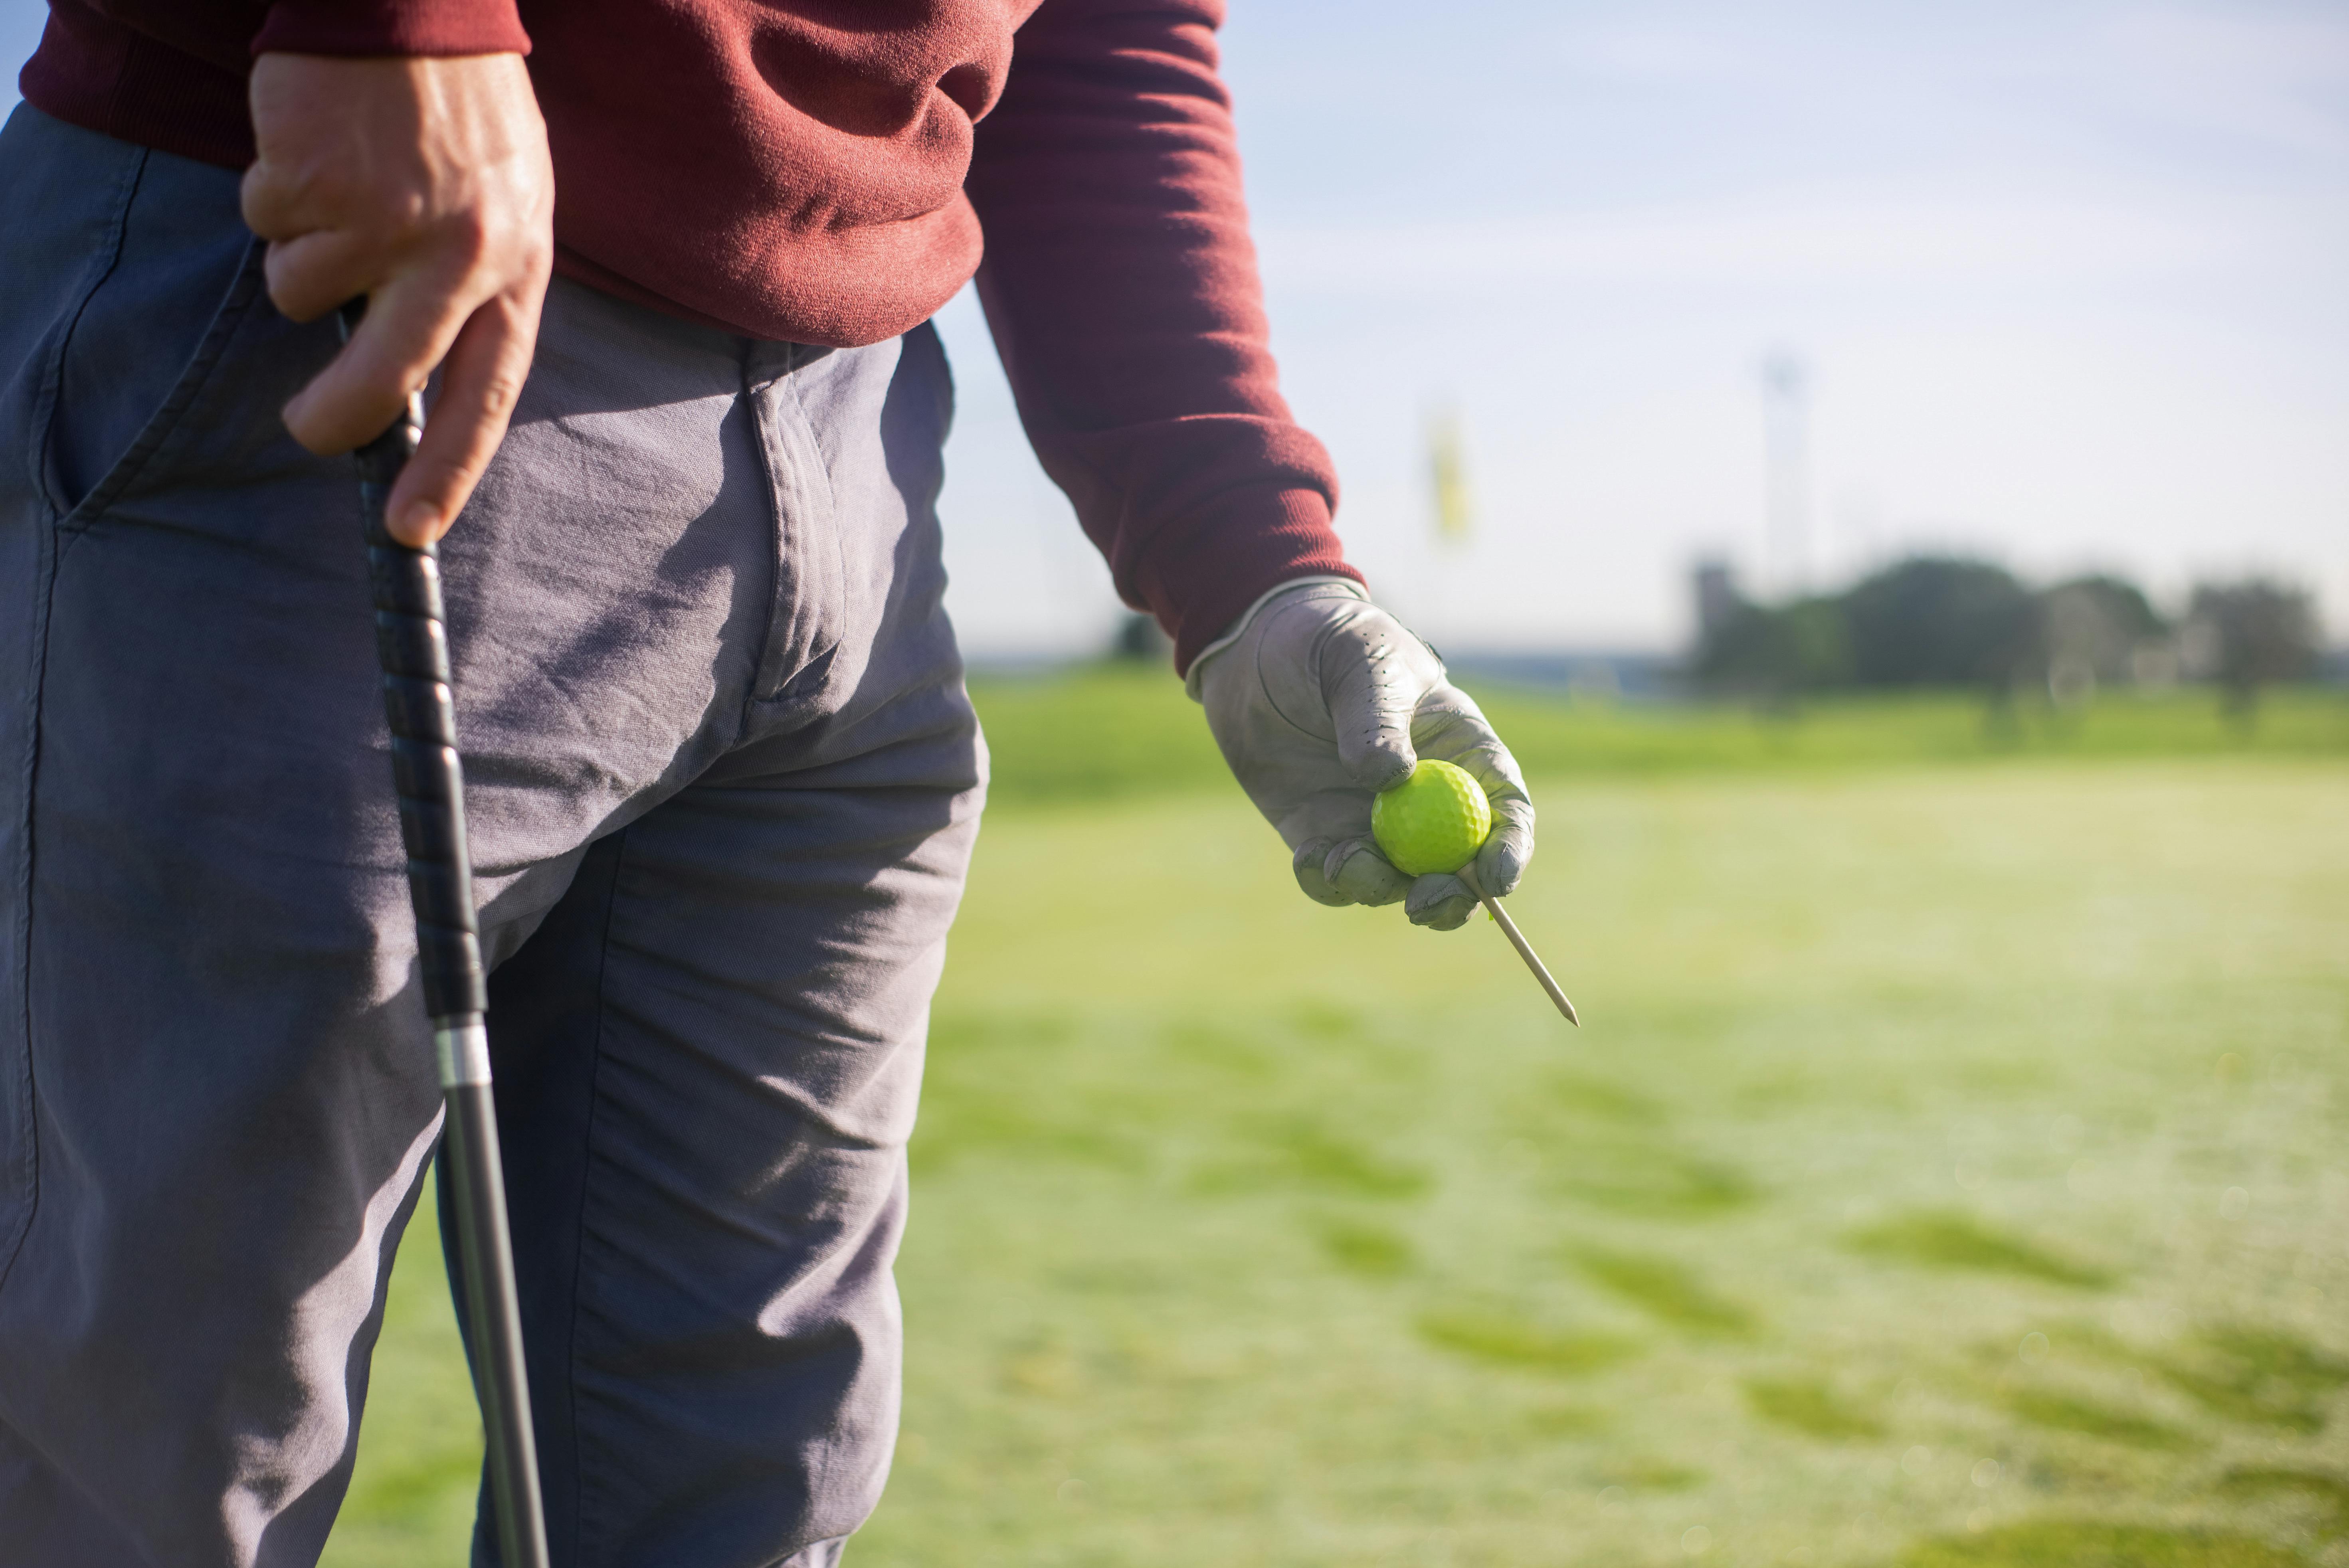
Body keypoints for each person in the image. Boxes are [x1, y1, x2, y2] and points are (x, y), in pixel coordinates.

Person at [0, 3, 1534, 1564]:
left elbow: (1112, 31)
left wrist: (1252, 562)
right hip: (352, 277)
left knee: (745, 1491)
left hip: (857, 442)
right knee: (148, 1466)